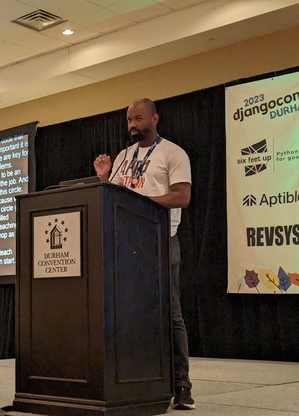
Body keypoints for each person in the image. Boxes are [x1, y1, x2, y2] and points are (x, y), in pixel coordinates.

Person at [94, 98, 194, 410]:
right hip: (125, 244)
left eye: (138, 119)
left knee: (170, 312)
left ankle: (182, 385)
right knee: (126, 312)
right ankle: (133, 381)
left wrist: (143, 201)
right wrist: (103, 179)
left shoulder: (172, 153)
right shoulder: (124, 156)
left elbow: (182, 196)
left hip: (161, 242)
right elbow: (116, 196)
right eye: (129, 120)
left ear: (155, 118)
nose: (132, 125)